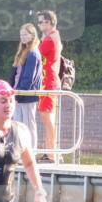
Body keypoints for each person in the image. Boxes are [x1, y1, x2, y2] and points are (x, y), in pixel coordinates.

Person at [36, 10, 63, 163]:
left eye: (41, 22)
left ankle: (52, 154)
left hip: (49, 83)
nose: (39, 25)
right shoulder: (53, 36)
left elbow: (35, 55)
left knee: (47, 119)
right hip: (49, 82)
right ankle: (52, 152)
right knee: (48, 119)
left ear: (48, 22)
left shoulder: (49, 40)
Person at [11, 23, 42, 153]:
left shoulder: (33, 54)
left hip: (27, 96)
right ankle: (19, 151)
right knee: (17, 124)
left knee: (29, 125)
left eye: (25, 34)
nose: (22, 37)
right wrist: (12, 91)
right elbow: (16, 74)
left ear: (32, 35)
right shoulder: (22, 52)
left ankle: (31, 152)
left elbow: (28, 78)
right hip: (17, 94)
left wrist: (18, 95)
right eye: (21, 35)